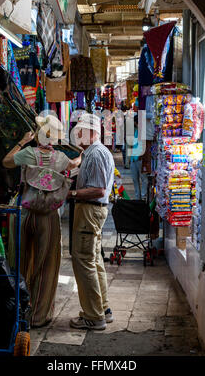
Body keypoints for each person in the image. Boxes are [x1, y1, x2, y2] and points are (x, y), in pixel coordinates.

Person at [3, 115, 82, 327]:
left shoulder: (28, 153)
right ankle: (38, 315)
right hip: (48, 217)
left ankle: (19, 311)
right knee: (47, 263)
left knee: (20, 260)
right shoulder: (61, 159)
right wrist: (81, 157)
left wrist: (22, 141)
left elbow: (6, 161)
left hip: (25, 213)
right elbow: (74, 164)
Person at [68, 113, 115, 331]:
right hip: (91, 212)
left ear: (93, 132)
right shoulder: (91, 152)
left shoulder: (95, 154)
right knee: (94, 260)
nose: (78, 133)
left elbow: (98, 190)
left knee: (83, 261)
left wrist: (72, 194)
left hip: (89, 212)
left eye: (82, 130)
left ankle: (94, 316)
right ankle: (103, 308)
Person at [129, 114, 148, 200]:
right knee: (136, 179)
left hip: (139, 158)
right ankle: (138, 198)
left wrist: (142, 156)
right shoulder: (137, 131)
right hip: (134, 159)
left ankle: (143, 197)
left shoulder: (143, 132)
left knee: (143, 179)